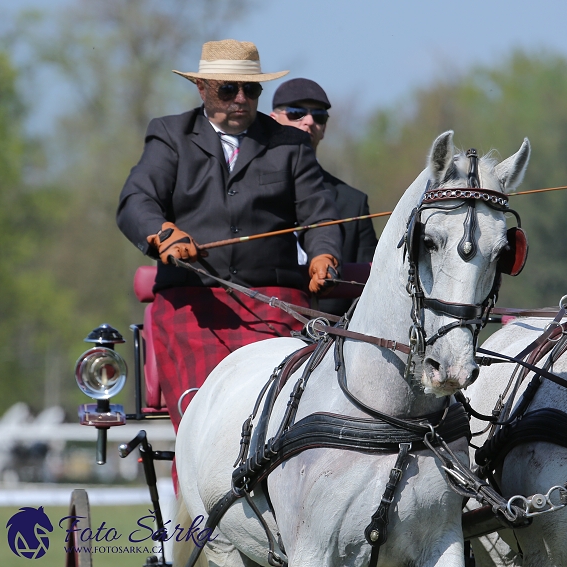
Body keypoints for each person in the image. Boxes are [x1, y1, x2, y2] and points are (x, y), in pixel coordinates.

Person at [116, 40, 342, 428]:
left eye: (251, 90)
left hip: (276, 305)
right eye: (228, 89)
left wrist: (324, 254)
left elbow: (319, 215)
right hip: (193, 303)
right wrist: (163, 234)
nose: (241, 99)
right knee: (207, 420)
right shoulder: (170, 135)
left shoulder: (291, 144)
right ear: (202, 88)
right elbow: (136, 201)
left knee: (280, 417)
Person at [270, 78, 378, 316]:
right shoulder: (245, 190)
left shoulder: (353, 202)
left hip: (331, 340)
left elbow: (373, 287)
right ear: (272, 120)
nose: (309, 121)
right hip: (259, 325)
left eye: (319, 116)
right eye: (297, 113)